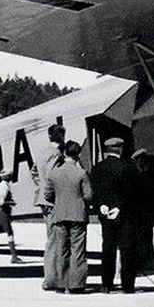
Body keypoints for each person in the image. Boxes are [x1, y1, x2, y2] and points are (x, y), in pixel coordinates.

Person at [89, 137, 140, 292]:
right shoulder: (128, 167)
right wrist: (119, 208)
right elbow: (133, 193)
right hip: (124, 215)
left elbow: (94, 192)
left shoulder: (97, 168)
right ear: (120, 149)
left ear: (107, 150)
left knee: (108, 248)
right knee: (127, 250)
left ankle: (106, 284)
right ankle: (127, 285)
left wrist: (101, 206)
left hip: (105, 214)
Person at [43, 140, 92, 293]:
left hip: (59, 214)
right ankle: (76, 285)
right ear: (78, 154)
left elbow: (47, 195)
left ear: (64, 153)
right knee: (77, 250)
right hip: (78, 215)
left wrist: (58, 202)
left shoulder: (54, 173)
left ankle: (61, 284)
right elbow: (88, 195)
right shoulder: (81, 173)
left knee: (61, 249)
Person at [36, 123, 68, 290]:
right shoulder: (56, 154)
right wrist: (53, 197)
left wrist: (40, 191)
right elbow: (52, 178)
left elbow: (35, 172)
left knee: (51, 239)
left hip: (43, 200)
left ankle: (51, 277)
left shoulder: (42, 152)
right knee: (55, 241)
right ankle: (51, 279)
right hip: (52, 202)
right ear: (61, 136)